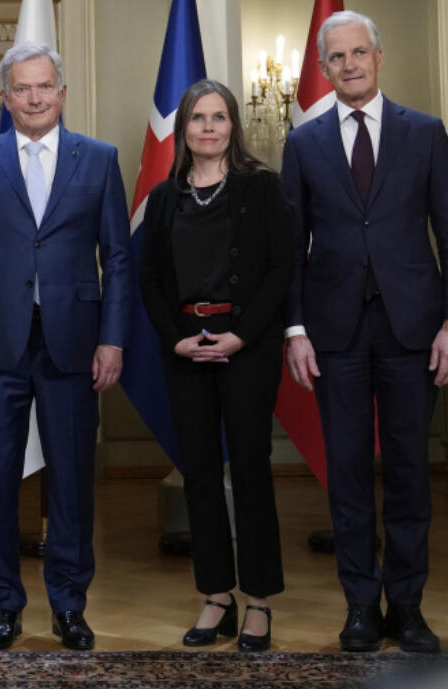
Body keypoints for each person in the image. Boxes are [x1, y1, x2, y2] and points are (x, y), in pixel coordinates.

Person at [282, 10, 448, 653]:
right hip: (333, 333)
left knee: (411, 473)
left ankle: (409, 607)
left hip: (414, 330)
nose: (349, 65)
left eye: (359, 52)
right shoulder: (303, 143)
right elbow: (288, 247)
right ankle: (361, 606)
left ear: (379, 57)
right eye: (336, 57)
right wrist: (295, 328)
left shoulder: (424, 133)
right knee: (349, 474)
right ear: (324, 68)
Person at [0, 42, 129, 651]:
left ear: (63, 93)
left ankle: (70, 605)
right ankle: (4, 604)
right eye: (23, 88)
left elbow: (118, 261)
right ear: (5, 96)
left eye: (45, 86)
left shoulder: (99, 160)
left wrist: (113, 339)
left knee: (72, 480)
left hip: (75, 343)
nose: (36, 97)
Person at [138, 79, 291, 653]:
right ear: (183, 129)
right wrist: (177, 340)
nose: (208, 127)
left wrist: (240, 336)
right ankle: (217, 596)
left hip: (246, 347)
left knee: (250, 472)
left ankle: (258, 601)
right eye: (198, 118)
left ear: (234, 126)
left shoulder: (262, 189)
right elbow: (148, 279)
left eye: (219, 117)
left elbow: (280, 270)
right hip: (185, 348)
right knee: (199, 475)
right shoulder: (163, 198)